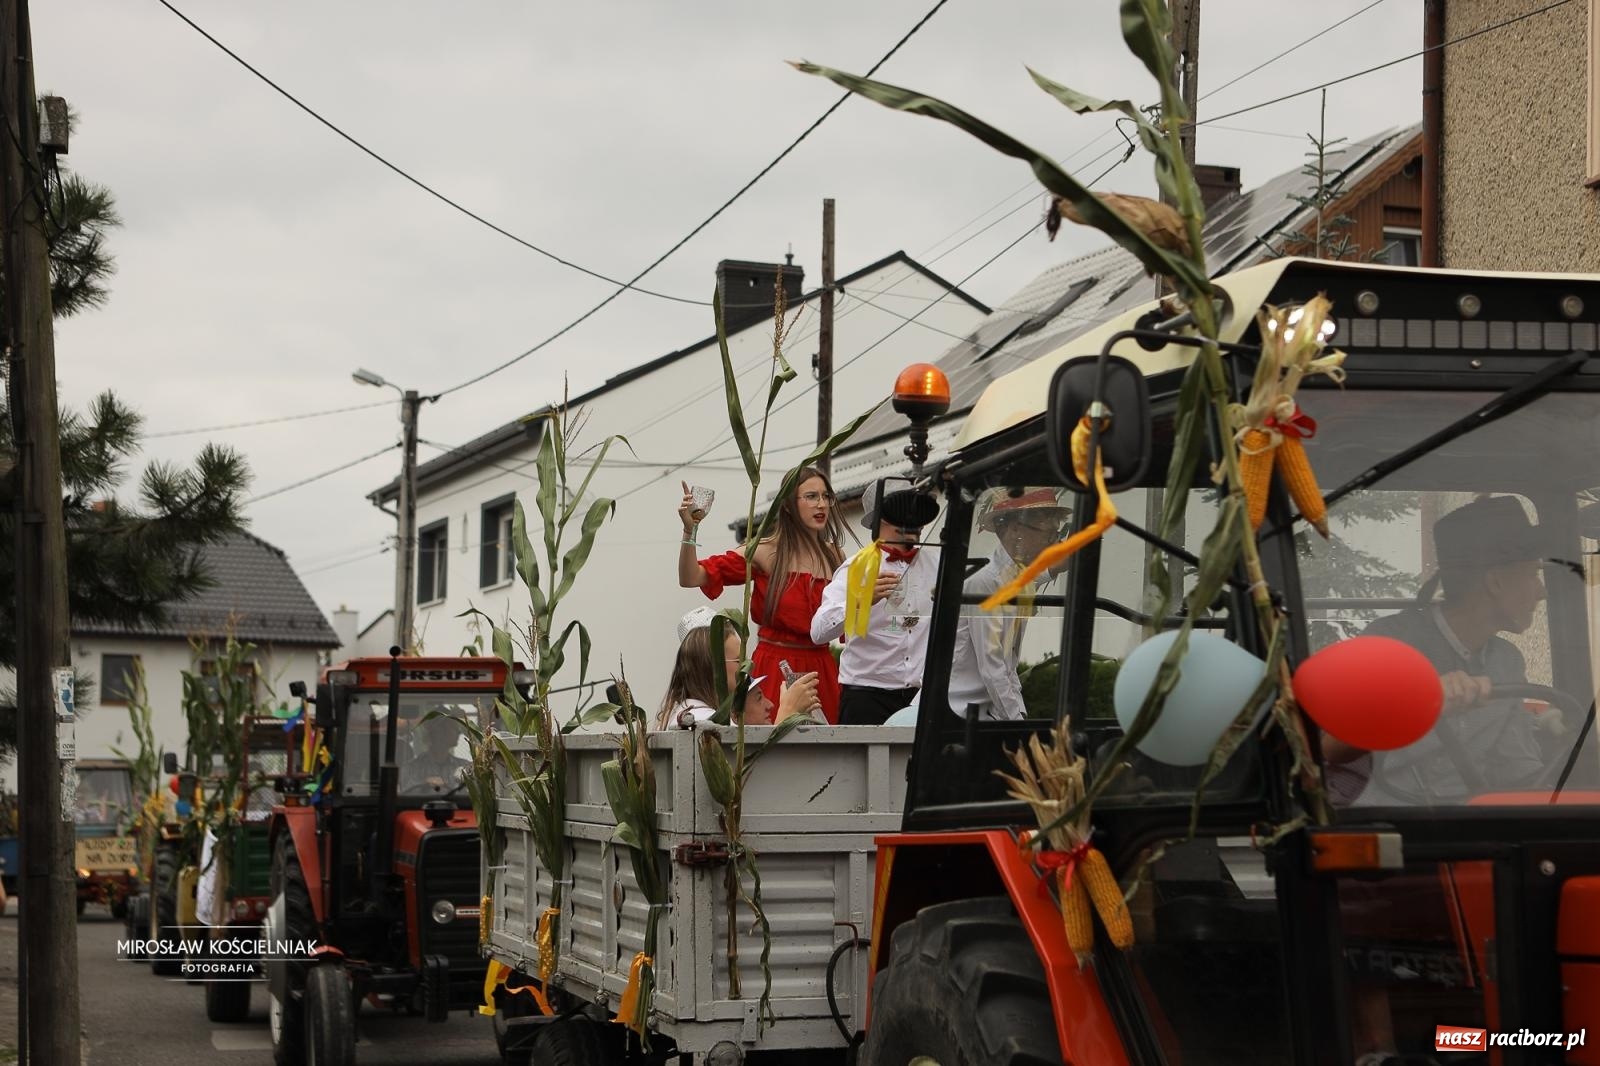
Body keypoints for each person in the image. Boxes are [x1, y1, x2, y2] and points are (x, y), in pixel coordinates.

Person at [1353, 495, 1555, 803]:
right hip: (1386, 821)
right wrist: (1419, 704)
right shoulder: (1386, 644)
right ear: (1495, 582)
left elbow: (1518, 769)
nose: (1542, 592)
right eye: (1533, 575)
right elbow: (1340, 750)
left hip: (1469, 822)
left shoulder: (1507, 662)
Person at [678, 466, 846, 723]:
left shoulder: (835, 556)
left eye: (826, 496)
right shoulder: (764, 551)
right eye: (811, 496)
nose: (821, 504)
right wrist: (690, 530)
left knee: (831, 744)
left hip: (822, 670)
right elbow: (691, 577)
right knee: (771, 741)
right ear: (788, 504)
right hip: (775, 667)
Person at [811, 482, 942, 724]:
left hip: (921, 699)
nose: (914, 521)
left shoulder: (938, 566)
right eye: (903, 511)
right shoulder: (856, 568)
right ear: (880, 520)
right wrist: (861, 600)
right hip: (866, 699)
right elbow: (818, 632)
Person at [946, 487, 1072, 722]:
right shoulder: (984, 582)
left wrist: (1018, 717)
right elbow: (993, 668)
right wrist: (1017, 724)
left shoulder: (1013, 578)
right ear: (1015, 530)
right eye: (1048, 534)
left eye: (1056, 534)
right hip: (957, 715)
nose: (1054, 542)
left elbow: (1008, 666)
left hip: (985, 715)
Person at [657, 606, 822, 729]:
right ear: (714, 667)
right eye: (739, 660)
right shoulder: (698, 720)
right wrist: (788, 711)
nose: (747, 668)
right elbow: (751, 763)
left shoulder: (696, 713)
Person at [400, 711, 470, 793]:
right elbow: (405, 795)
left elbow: (471, 796)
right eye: (453, 728)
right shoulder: (411, 769)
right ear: (439, 731)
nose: (459, 732)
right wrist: (424, 785)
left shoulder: (464, 767)